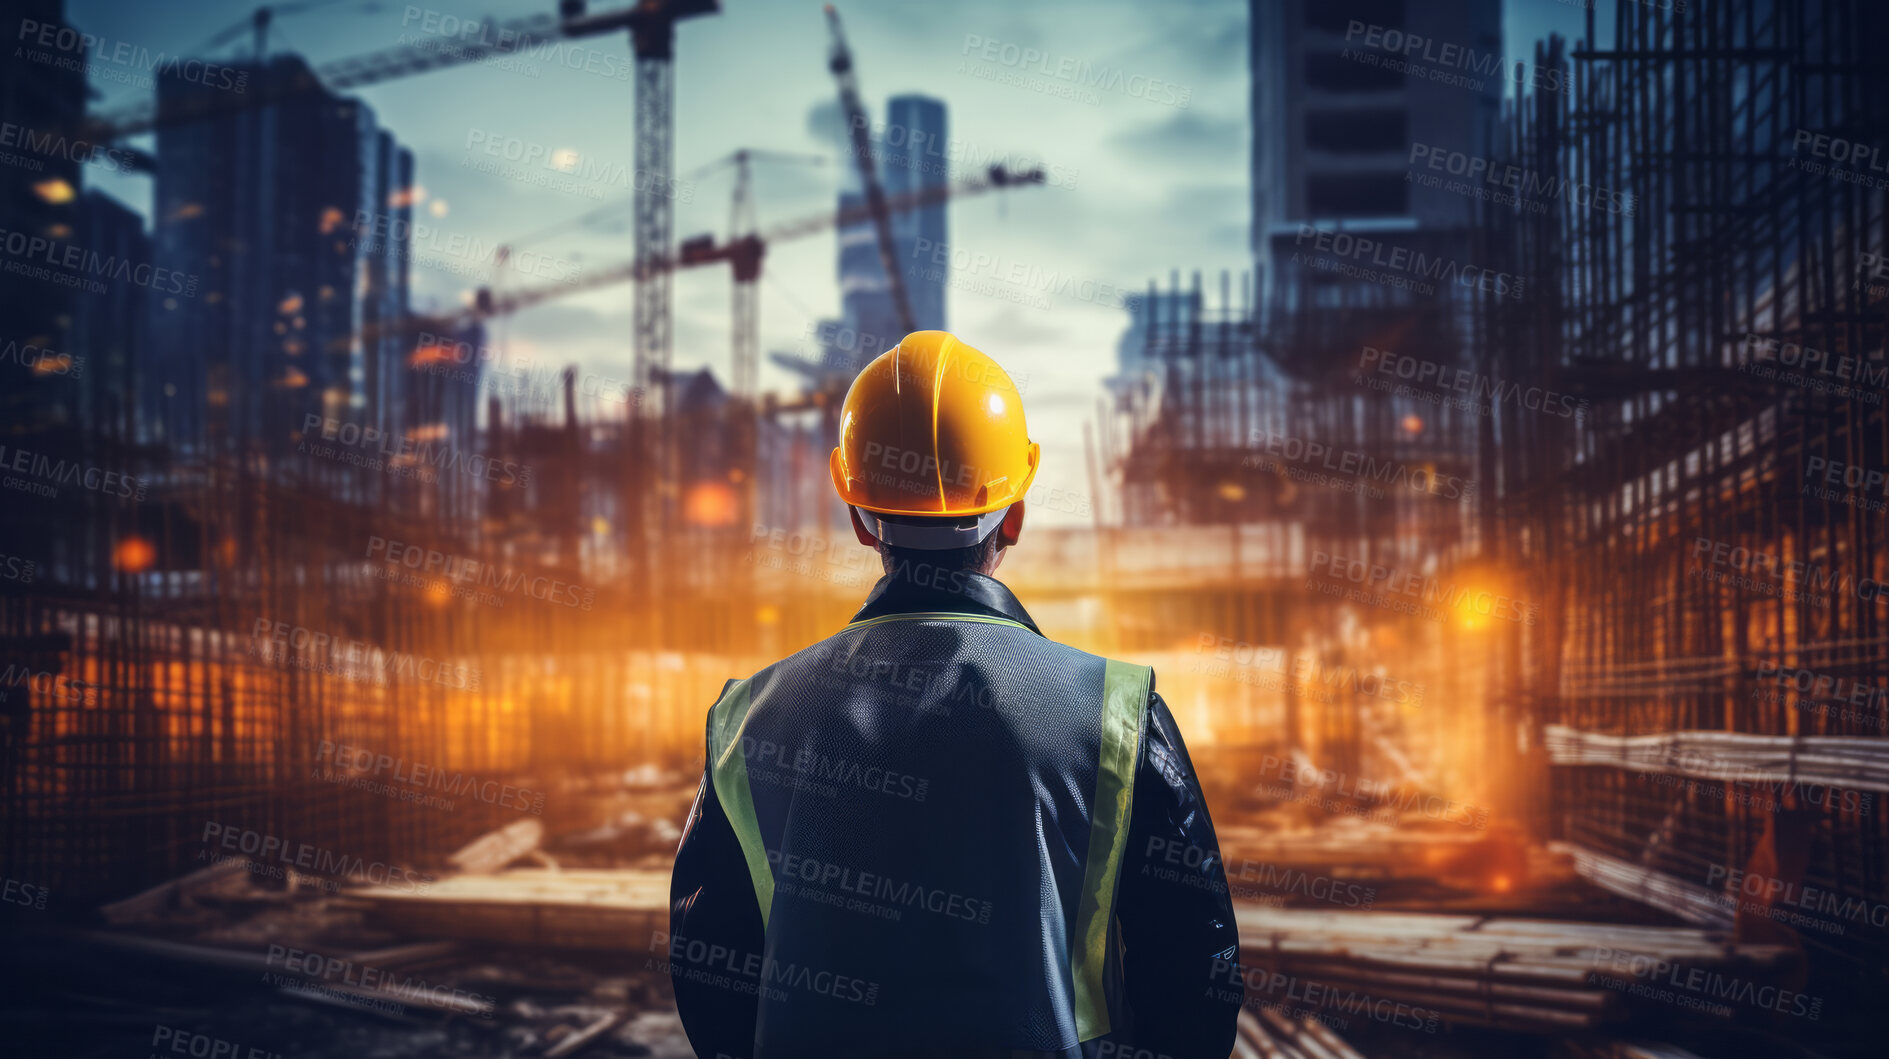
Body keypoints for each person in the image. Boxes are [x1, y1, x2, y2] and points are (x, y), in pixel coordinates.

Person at [668, 331, 1242, 1058]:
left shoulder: (748, 720)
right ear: (1015, 514)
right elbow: (1197, 979)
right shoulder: (1116, 714)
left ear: (856, 516)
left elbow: (708, 974)